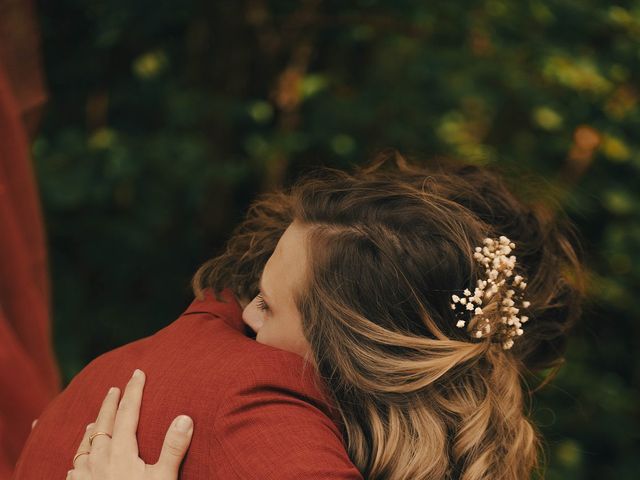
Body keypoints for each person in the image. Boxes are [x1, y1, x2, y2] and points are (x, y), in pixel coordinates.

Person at [13, 189, 362, 479]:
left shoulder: (84, 386)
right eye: (260, 299)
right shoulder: (259, 389)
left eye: (268, 305)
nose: (250, 316)